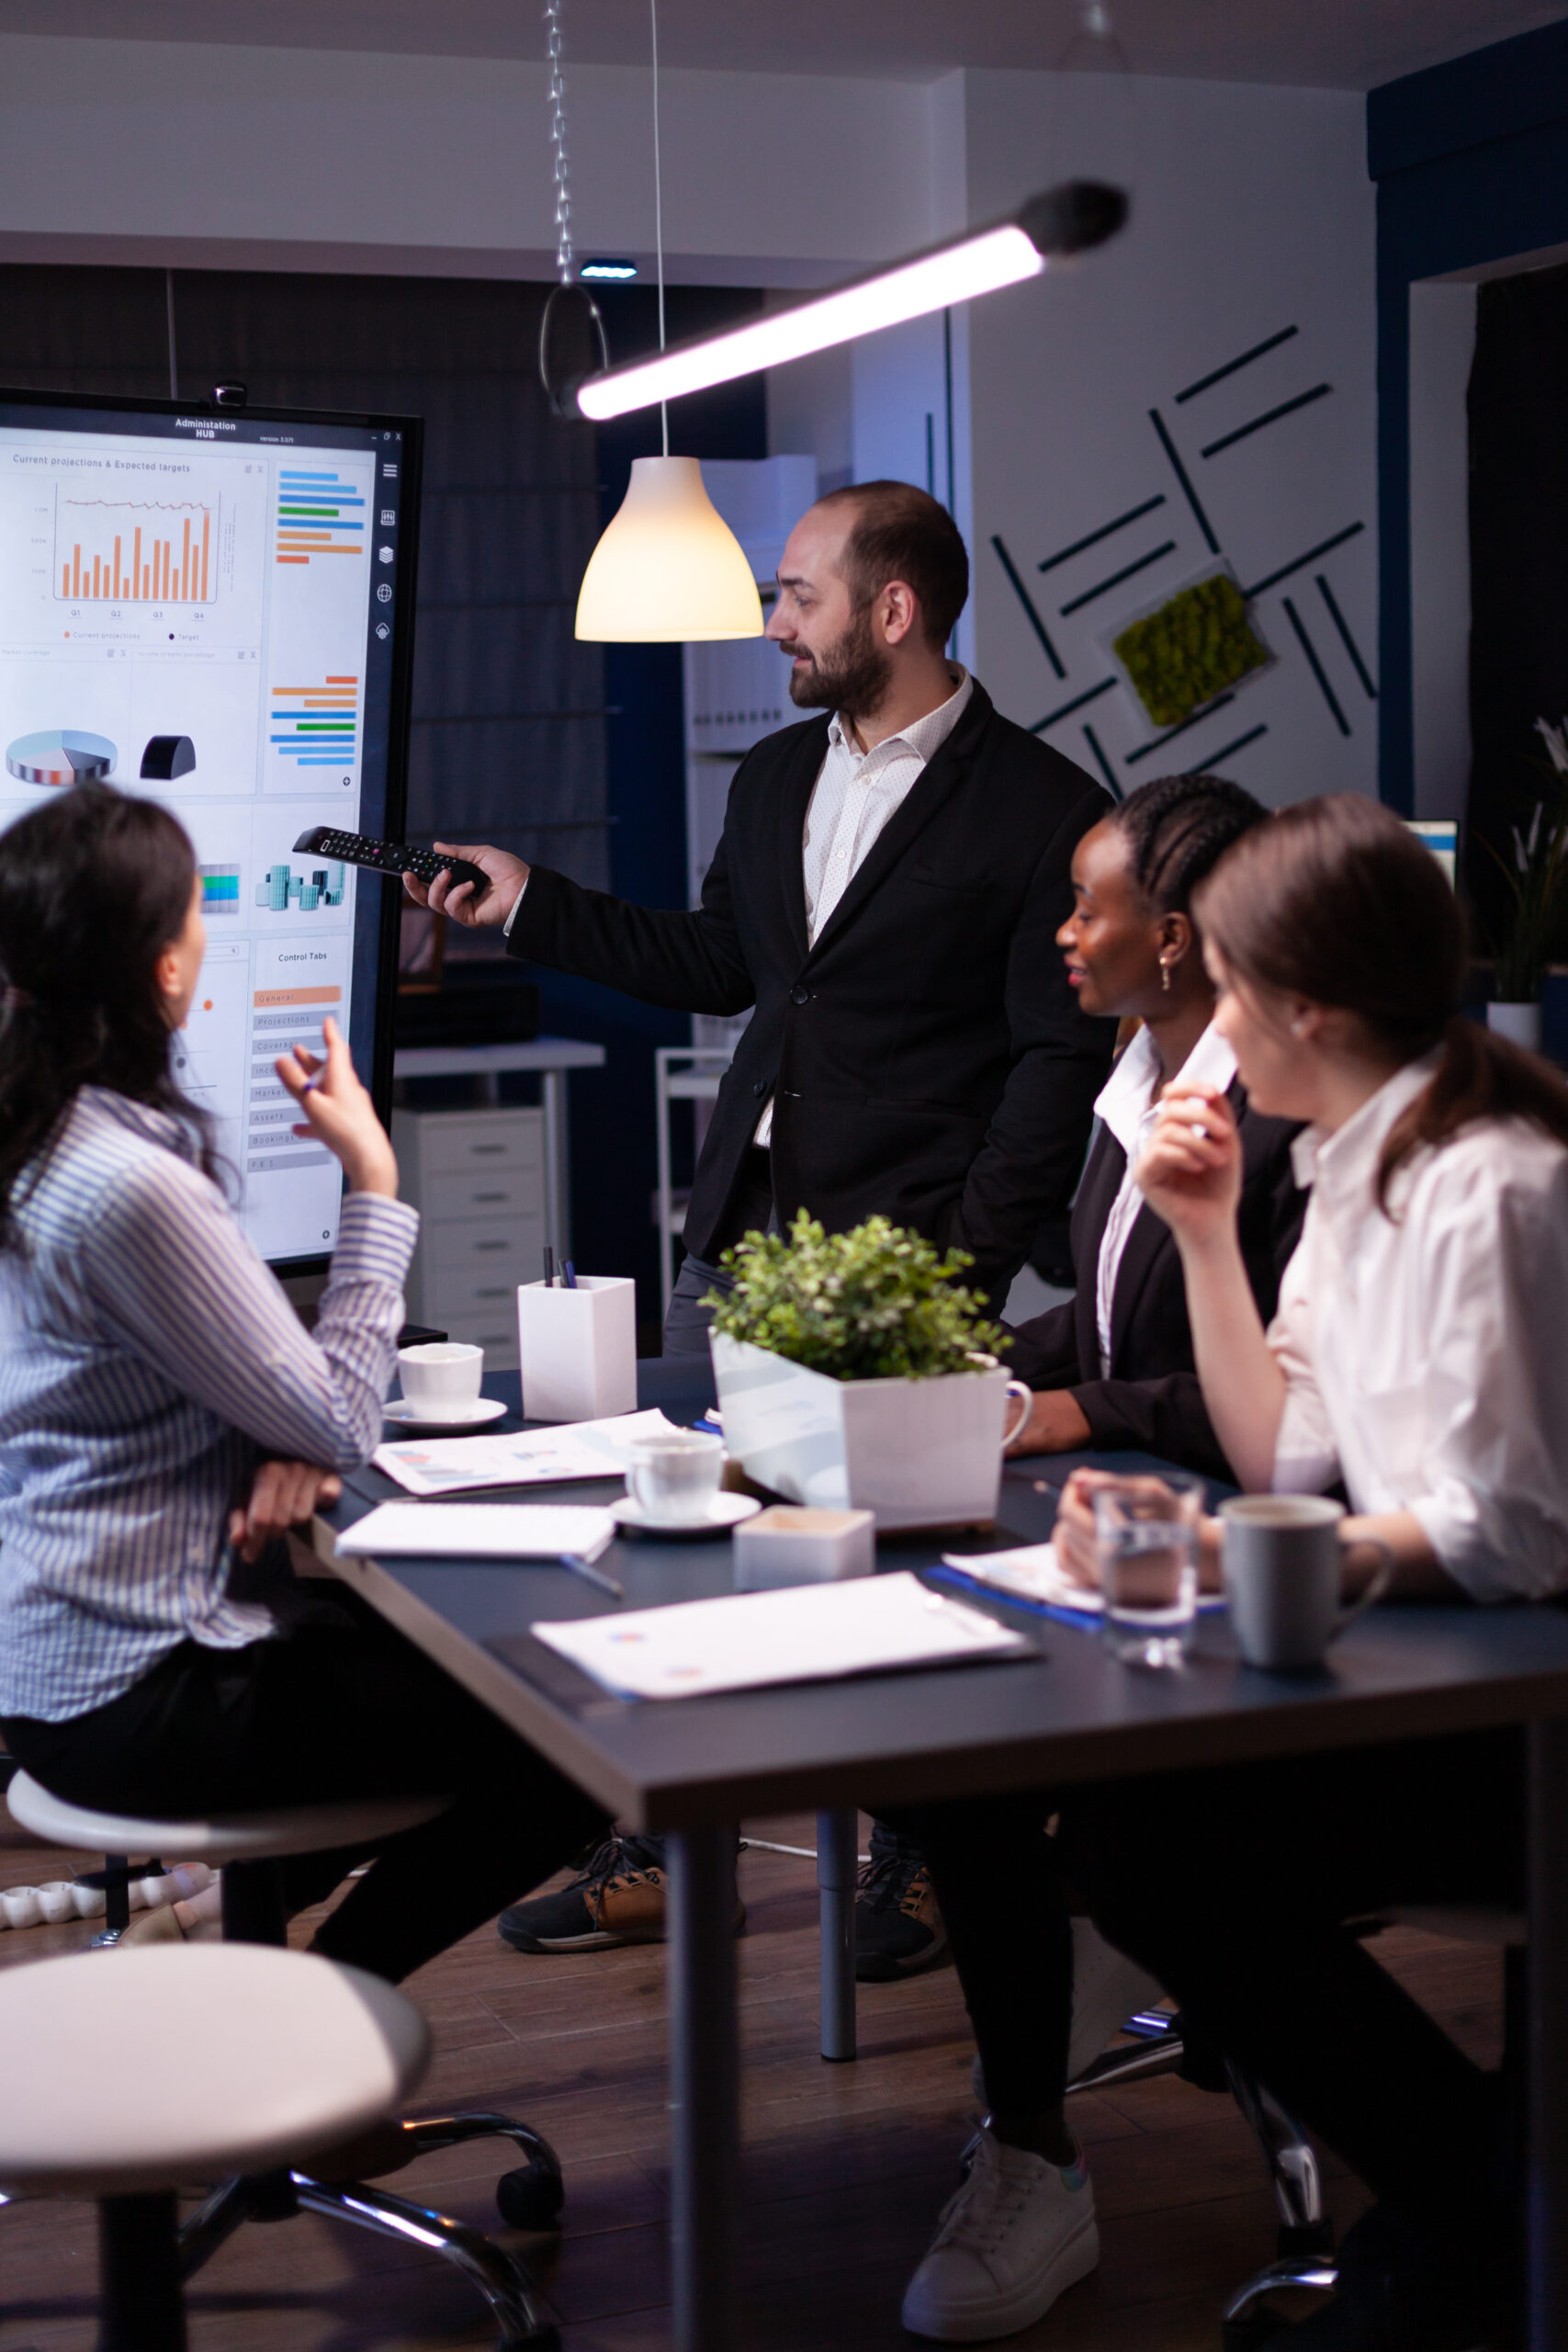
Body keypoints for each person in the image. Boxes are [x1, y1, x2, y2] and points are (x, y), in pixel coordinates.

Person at [408, 479, 1116, 1956]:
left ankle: (925, 1852)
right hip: (743, 1231)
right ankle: (674, 1850)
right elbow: (725, 964)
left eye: (796, 594)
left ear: (894, 610)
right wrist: (531, 902)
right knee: (697, 1538)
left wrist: (966, 1256)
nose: (771, 620)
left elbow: (1059, 1060)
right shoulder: (776, 775)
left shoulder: (1046, 808)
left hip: (910, 1260)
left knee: (909, 1566)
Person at [966, 797, 1568, 2349]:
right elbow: (1287, 1454)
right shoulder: (1355, 1168)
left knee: (1161, 1848)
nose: (1213, 1027)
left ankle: (1473, 2216)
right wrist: (1210, 1236)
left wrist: (1223, 1547)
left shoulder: (1493, 1183)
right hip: (1441, 1676)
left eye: (1231, 992)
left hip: (1528, 1717)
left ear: (1306, 1008)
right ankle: (1478, 2208)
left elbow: (1505, 1532)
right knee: (1126, 1834)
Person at [0, 787, 610, 1987]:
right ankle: (333, 2001)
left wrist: (273, 1428)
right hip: (144, 1685)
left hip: (60, 1661)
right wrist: (373, 1178)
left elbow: (197, 1390)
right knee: (575, 1739)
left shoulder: (43, 1135)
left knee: (433, 1657)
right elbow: (334, 1413)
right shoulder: (130, 1180)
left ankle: (234, 1950)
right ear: (163, 962)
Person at [855, 774, 1310, 1996]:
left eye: (1082, 906)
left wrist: (1075, 1410)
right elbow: (1110, 1319)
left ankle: (1050, 2095)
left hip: (1224, 1561)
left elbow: (1272, 1389)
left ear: (1170, 938)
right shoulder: (1132, 1085)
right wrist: (969, 1364)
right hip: (1124, 1521)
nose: (1063, 931)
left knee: (965, 1761)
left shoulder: (1275, 1114)